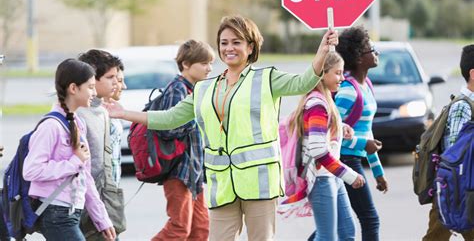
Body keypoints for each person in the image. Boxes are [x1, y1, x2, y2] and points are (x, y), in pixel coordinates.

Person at [105, 15, 338, 241]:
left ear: (250, 46)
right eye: (224, 43)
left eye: (236, 42)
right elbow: (170, 117)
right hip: (223, 185)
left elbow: (304, 82)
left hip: (260, 183)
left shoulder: (267, 78)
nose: (229, 48)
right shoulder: (204, 89)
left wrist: (323, 51)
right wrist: (124, 113)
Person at [22, 59, 116, 241]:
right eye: (90, 87)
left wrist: (102, 219)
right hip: (55, 212)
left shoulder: (78, 124)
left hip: (71, 211)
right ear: (74, 88)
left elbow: (85, 177)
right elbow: (31, 170)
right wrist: (74, 162)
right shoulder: (51, 126)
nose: (95, 93)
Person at [290, 51, 365, 241]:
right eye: (338, 73)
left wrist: (341, 127)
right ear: (323, 73)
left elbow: (322, 131)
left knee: (347, 233)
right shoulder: (317, 104)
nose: (342, 78)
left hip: (332, 176)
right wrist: (349, 175)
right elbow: (318, 150)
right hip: (322, 178)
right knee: (327, 237)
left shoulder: (325, 100)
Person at [151, 39, 215, 241]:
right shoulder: (177, 89)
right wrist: (195, 118)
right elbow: (167, 128)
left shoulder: (194, 90)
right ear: (186, 64)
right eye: (204, 63)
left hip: (193, 173)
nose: (209, 68)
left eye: (210, 63)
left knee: (201, 229)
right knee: (178, 229)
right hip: (179, 171)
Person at [335, 26, 388, 241]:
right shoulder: (348, 91)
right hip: (344, 161)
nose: (376, 53)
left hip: (353, 158)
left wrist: (378, 171)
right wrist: (362, 144)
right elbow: (331, 127)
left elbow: (367, 133)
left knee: (335, 224)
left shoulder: (366, 86)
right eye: (371, 49)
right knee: (369, 219)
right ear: (357, 58)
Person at [422, 44, 474, 241]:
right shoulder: (463, 107)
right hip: (455, 189)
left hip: (466, 187)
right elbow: (455, 153)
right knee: (436, 236)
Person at [76, 49, 126, 239]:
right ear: (91, 78)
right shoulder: (79, 114)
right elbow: (84, 169)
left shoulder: (102, 111)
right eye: (110, 77)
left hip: (105, 197)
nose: (117, 82)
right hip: (87, 204)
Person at [108, 59, 127, 186]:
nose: (123, 86)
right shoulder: (95, 115)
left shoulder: (114, 110)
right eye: (119, 81)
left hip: (112, 188)